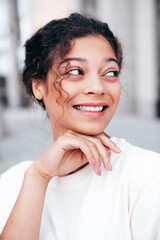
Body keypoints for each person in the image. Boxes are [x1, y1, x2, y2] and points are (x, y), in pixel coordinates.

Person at [0, 13, 160, 240]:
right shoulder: (14, 184)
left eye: (110, 73)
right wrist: (39, 176)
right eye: (75, 72)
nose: (97, 87)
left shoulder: (147, 175)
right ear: (38, 87)